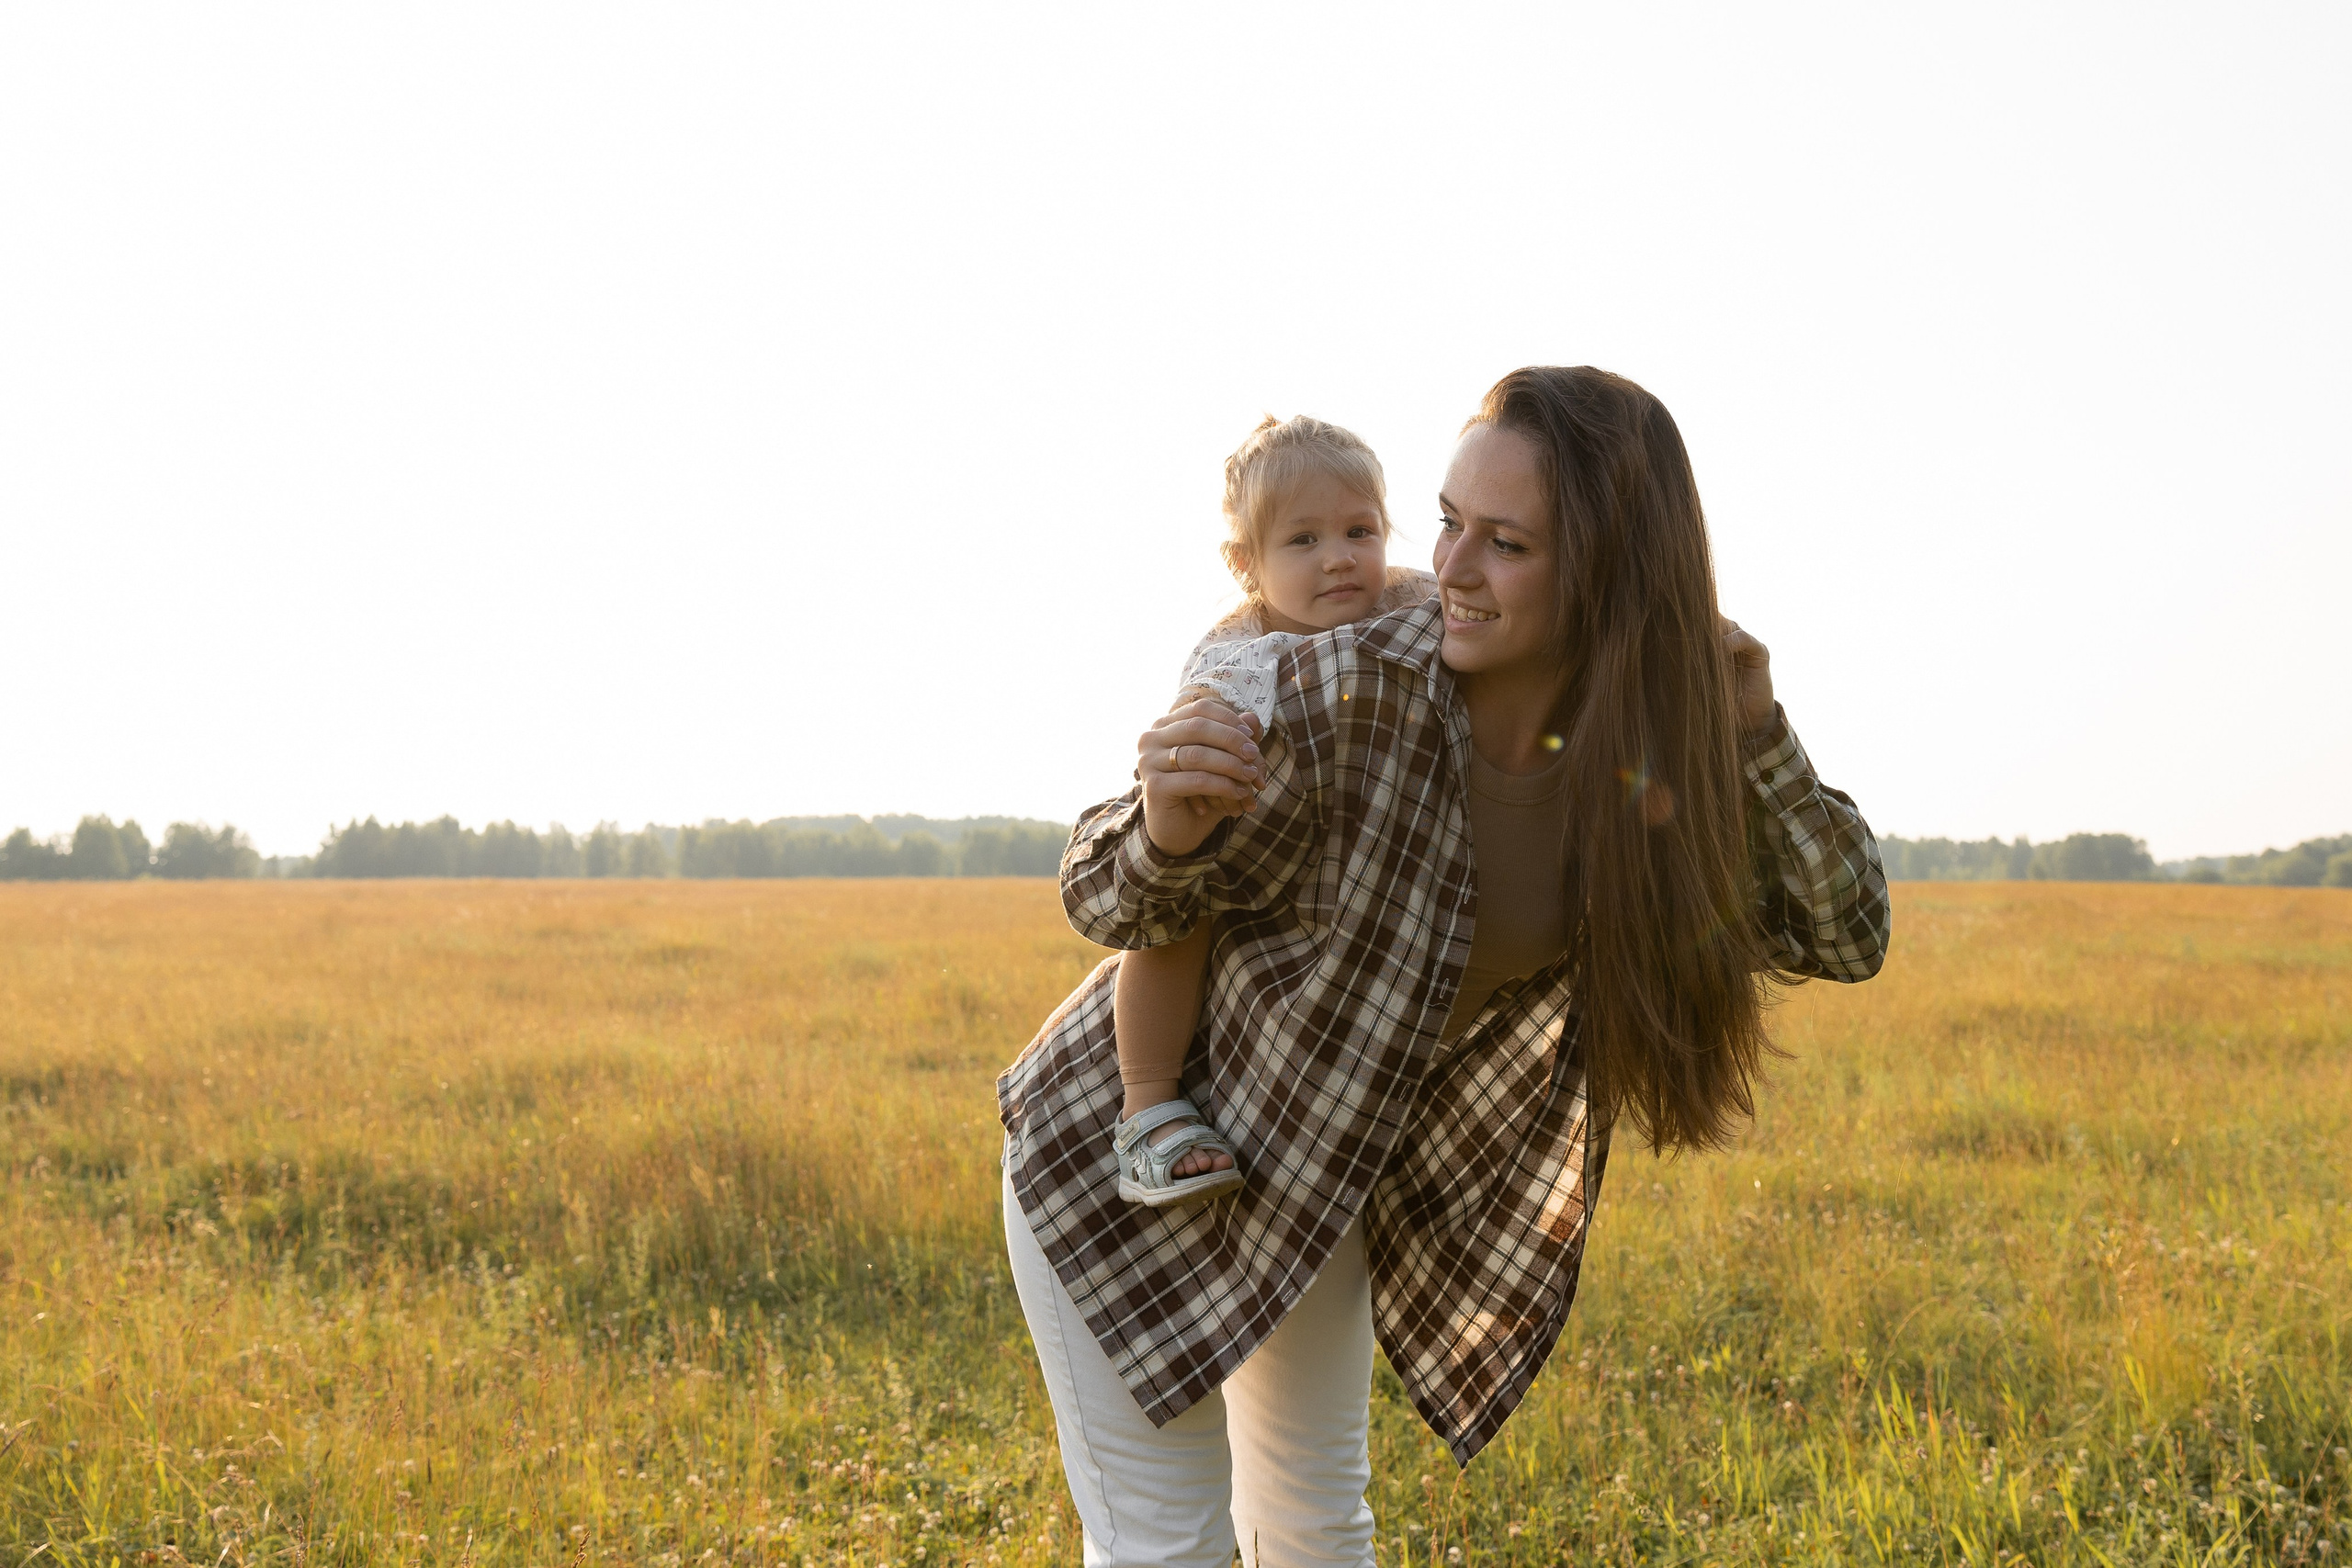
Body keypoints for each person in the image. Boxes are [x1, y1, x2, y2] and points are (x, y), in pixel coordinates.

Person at [997, 367, 1891, 1566]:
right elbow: (1100, 891)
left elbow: (1847, 932)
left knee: (1317, 1528)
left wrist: (1754, 733)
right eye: (1448, 519)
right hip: (1121, 1156)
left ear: (1610, 573)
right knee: (1168, 1545)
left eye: (1506, 542)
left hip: (1311, 1183)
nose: (1451, 567)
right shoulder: (1348, 689)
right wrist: (1163, 824)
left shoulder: (1640, 776)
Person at [1110, 412, 1433, 1207]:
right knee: (1181, 918)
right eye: (1303, 541)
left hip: (1347, 882)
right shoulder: (1241, 661)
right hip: (1241, 851)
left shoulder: (1408, 609)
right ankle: (1146, 1105)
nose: (1338, 558)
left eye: (1359, 530)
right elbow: (1195, 755)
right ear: (1246, 564)